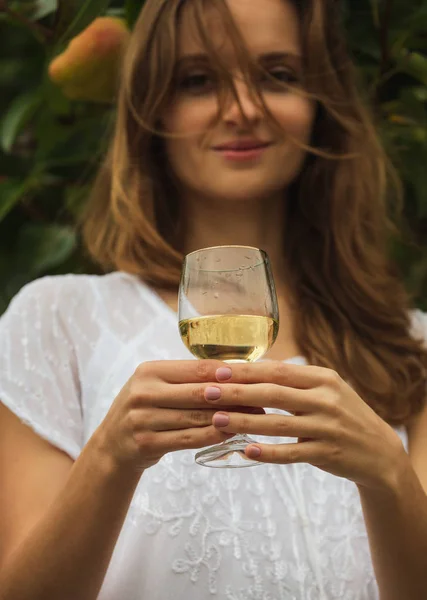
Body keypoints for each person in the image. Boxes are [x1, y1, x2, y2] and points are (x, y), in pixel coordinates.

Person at [1, 0, 427, 598]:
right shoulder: (57, 321)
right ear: (151, 109)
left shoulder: (409, 345)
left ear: (321, 104)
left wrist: (388, 477)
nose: (243, 109)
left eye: (278, 75)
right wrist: (112, 459)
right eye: (199, 81)